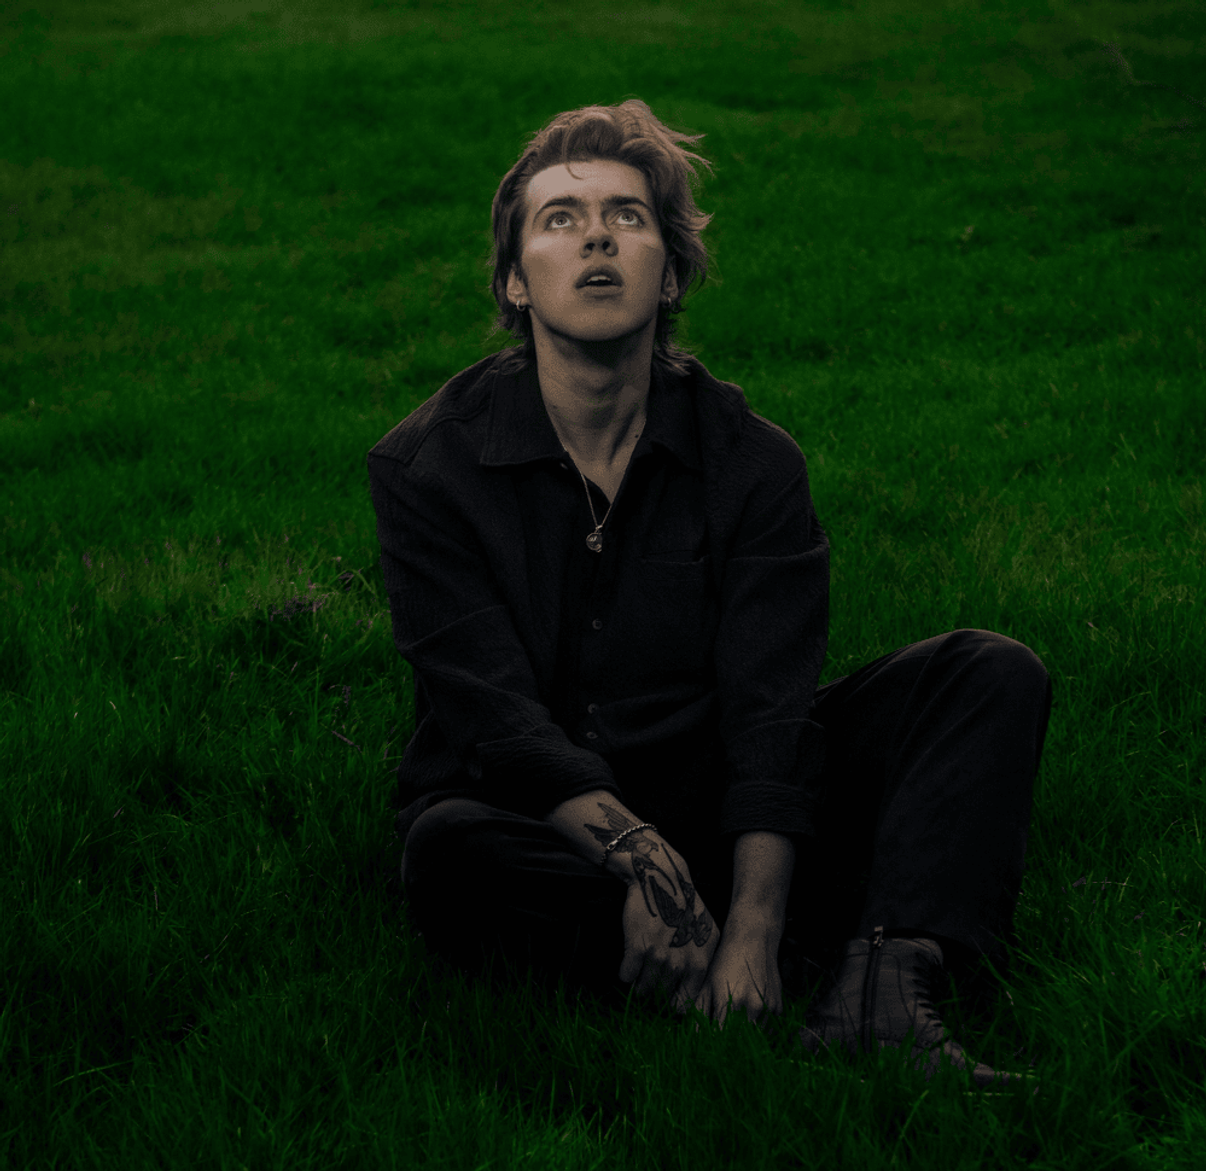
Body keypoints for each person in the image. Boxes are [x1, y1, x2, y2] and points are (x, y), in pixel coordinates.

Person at [366, 99, 1052, 1088]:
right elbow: (498, 724)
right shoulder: (427, 467)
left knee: (985, 674)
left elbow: (772, 715)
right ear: (516, 279)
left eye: (628, 216)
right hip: (546, 820)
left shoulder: (753, 464)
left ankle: (879, 988)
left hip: (715, 795)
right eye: (559, 219)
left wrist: (753, 925)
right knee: (449, 851)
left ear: (672, 271)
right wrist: (646, 866)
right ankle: (765, 936)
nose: (597, 236)